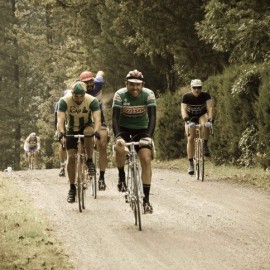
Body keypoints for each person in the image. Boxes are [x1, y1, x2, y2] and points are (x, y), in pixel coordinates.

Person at [112, 69, 156, 214]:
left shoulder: (148, 94)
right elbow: (114, 119)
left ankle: (147, 200)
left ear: (142, 85)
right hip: (123, 129)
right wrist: (118, 136)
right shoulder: (119, 95)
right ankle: (121, 176)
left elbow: (152, 117)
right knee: (119, 148)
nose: (135, 88)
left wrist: (148, 136)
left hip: (142, 130)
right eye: (131, 85)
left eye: (138, 85)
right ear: (126, 84)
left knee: (145, 159)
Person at [57, 81, 101, 203]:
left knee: (88, 133)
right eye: (76, 96)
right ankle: (72, 188)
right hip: (71, 129)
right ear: (72, 93)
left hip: (86, 126)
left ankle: (90, 160)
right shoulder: (64, 101)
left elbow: (97, 119)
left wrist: (96, 132)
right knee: (70, 158)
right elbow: (60, 120)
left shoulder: (92, 100)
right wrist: (61, 134)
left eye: (81, 95)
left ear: (84, 93)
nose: (79, 98)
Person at [80, 70, 108, 191]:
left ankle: (101, 178)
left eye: (91, 81)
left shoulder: (99, 82)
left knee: (102, 144)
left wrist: (100, 73)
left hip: (98, 116)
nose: (89, 84)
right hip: (84, 118)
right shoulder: (79, 89)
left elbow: (101, 73)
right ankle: (83, 173)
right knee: (80, 146)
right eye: (86, 82)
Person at [181, 79, 214, 175]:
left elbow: (210, 108)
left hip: (201, 115)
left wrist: (211, 120)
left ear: (201, 88)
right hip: (190, 118)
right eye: (194, 88)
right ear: (191, 88)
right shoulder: (186, 96)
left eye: (199, 87)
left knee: (205, 123)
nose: (196, 90)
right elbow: (183, 110)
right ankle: (190, 163)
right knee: (191, 138)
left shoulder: (206, 95)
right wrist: (186, 120)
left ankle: (205, 144)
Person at [54, 89, 71, 177]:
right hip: (63, 123)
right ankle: (62, 166)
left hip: (72, 123)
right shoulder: (60, 103)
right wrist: (59, 132)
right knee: (63, 143)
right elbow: (57, 119)